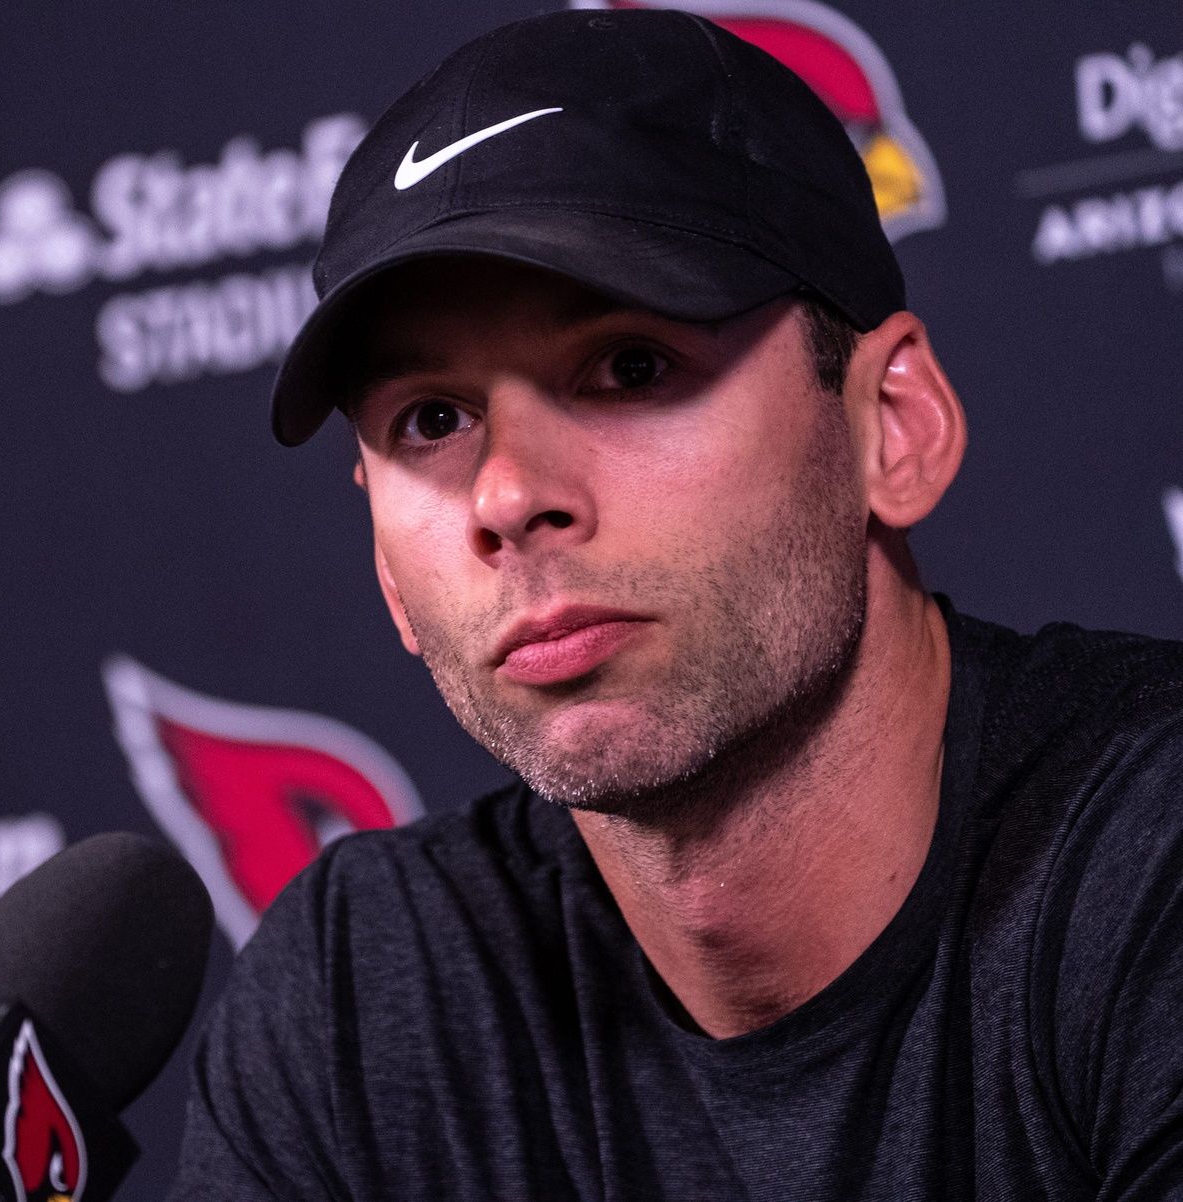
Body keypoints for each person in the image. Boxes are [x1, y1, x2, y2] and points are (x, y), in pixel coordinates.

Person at [167, 9, 1183, 1201]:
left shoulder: (1145, 855)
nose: (506, 494)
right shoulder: (367, 991)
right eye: (430, 420)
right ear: (390, 571)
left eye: (630, 365)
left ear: (890, 427)